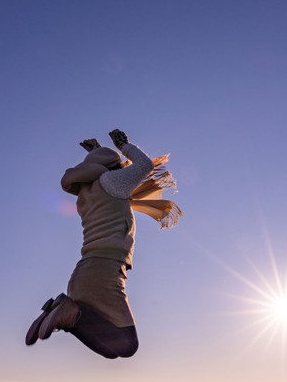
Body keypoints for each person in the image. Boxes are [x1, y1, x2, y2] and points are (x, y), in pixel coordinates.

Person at [25, 129, 179, 358]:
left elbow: (102, 169)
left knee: (114, 348)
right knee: (126, 345)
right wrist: (123, 145)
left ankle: (66, 313)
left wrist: (97, 152)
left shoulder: (88, 191)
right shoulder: (111, 182)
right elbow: (145, 166)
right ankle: (70, 314)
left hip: (87, 273)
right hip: (103, 272)